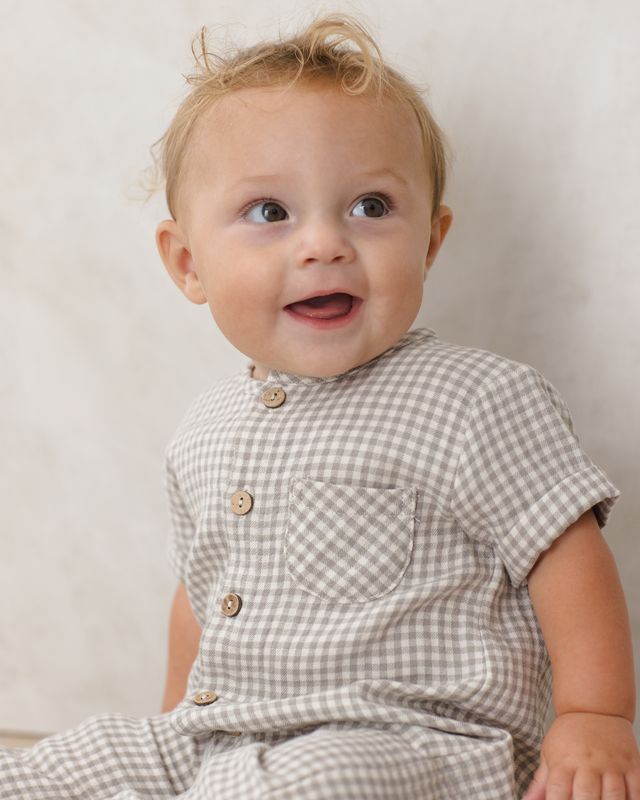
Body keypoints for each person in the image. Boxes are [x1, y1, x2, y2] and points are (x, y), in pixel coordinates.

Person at [2, 12, 639, 800]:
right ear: (187, 262)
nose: (323, 244)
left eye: (370, 207)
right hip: (226, 730)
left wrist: (595, 715)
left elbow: (563, 553)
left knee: (299, 782)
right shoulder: (205, 432)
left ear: (430, 243)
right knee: (60, 764)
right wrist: (174, 733)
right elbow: (200, 597)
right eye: (270, 213)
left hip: (408, 743)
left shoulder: (475, 398)